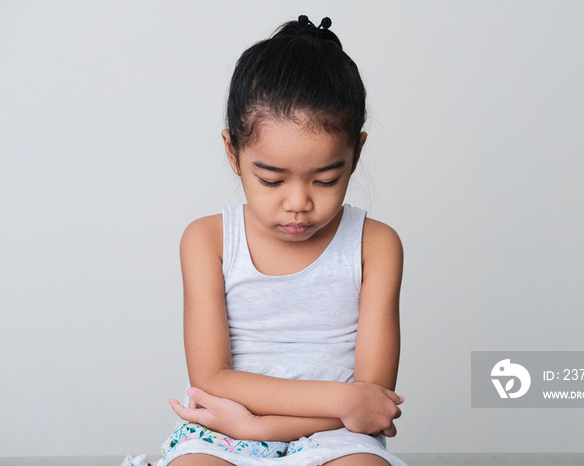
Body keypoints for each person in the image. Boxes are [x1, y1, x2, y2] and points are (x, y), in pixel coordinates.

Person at [156, 15, 406, 466]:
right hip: (222, 430)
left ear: (357, 154)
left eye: (326, 180)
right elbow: (212, 379)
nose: (298, 203)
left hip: (337, 437)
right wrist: (252, 429)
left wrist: (260, 425)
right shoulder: (207, 239)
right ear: (233, 152)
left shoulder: (376, 245)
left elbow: (370, 404)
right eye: (271, 180)